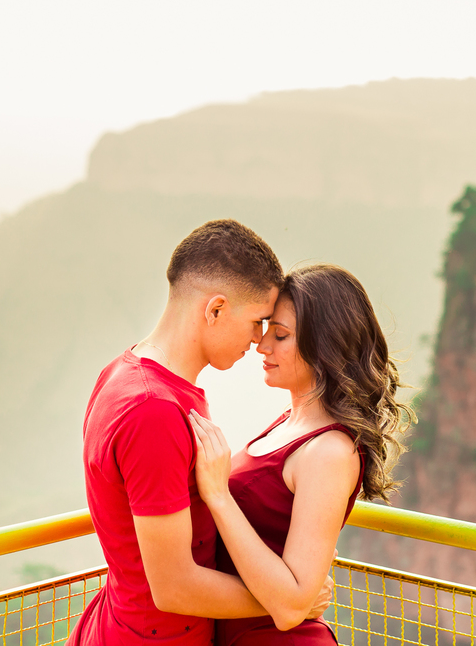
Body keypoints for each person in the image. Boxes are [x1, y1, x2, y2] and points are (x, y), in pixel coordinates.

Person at [69, 220, 333, 646]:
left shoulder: (124, 373)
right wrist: (289, 601)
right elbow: (174, 587)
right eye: (257, 321)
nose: (259, 340)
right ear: (215, 310)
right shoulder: (153, 409)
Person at [188, 264, 414, 645]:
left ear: (323, 344)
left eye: (280, 335)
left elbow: (292, 605)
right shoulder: (287, 424)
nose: (262, 346)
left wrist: (218, 495)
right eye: (265, 332)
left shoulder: (330, 451)